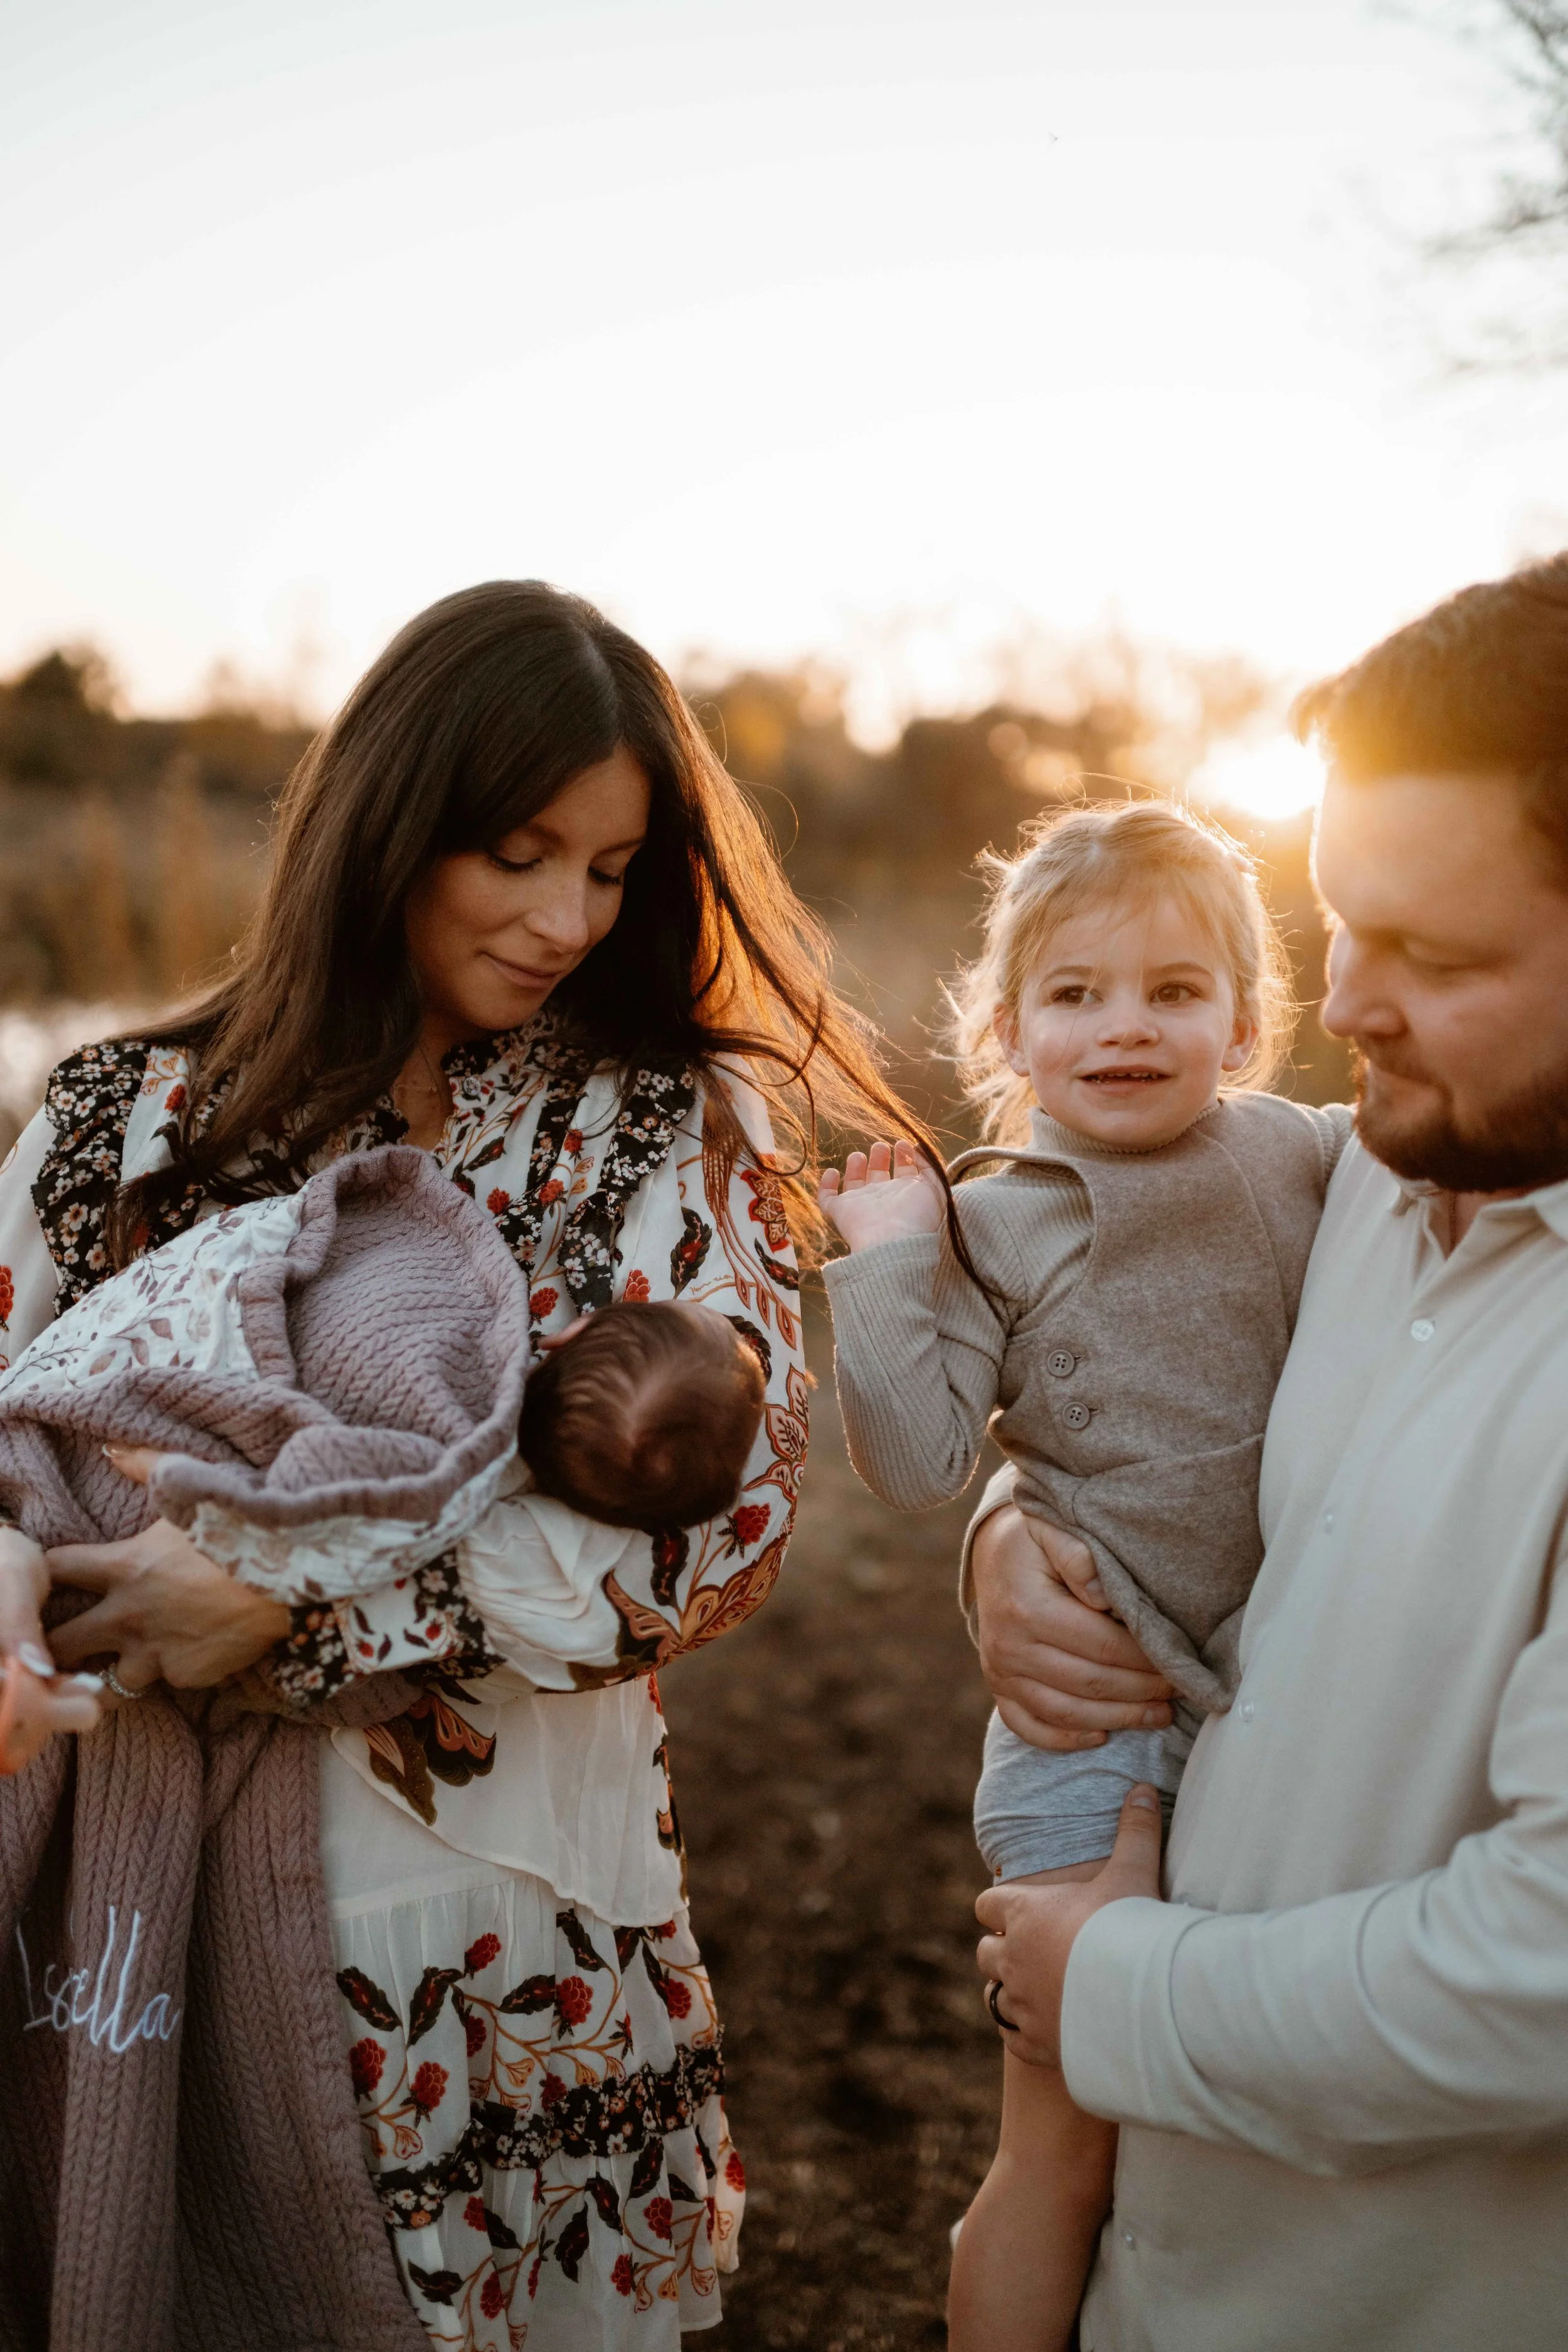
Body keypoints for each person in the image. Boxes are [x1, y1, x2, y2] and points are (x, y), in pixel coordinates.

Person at [0, 580, 944, 2351]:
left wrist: (284, 1605)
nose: (566, 916)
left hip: (509, 1942)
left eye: (607, 866)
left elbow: (714, 1539)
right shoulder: (113, 1117)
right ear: (391, 819)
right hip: (138, 1914)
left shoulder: (663, 1124)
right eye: (518, 851)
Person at [968, 554, 1568, 2352]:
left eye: (1441, 955)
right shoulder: (1378, 1163)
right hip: (1152, 2275)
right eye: (1338, 925)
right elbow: (1169, 1381)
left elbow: (1536, 1970)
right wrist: (1012, 1524)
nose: (1351, 1004)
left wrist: (1115, 1989)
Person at [815, 801, 1347, 2352]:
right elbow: (916, 1465)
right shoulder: (990, 1218)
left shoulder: (1299, 1156)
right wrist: (886, 1257)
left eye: (1174, 992)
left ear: (1248, 1024)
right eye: (1075, 994)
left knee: (1215, 2137)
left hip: (1263, 1719)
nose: (1125, 1028)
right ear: (1005, 1029)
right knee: (1062, 2145)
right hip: (1089, 1736)